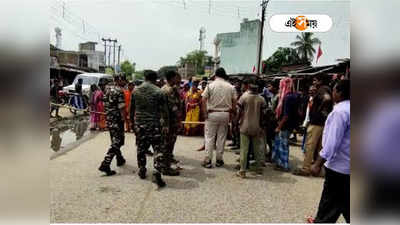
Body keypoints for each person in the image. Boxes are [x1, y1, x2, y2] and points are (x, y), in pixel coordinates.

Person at [309, 79, 350, 223]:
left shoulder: (340, 112)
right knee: (347, 203)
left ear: (339, 92)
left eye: (334, 90)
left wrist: (318, 163)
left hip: (339, 167)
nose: (332, 93)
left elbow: (333, 142)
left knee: (328, 208)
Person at [130, 70, 170, 187]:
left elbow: (131, 109)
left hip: (140, 124)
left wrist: (132, 123)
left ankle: (142, 169)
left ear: (145, 78)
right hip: (155, 125)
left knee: (141, 147)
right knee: (158, 148)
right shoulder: (159, 91)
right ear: (155, 79)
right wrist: (166, 125)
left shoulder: (135, 90)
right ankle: (157, 171)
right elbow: (165, 111)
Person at [293, 75, 333, 176]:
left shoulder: (322, 89)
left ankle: (306, 169)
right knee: (320, 148)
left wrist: (320, 110)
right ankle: (319, 171)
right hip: (322, 123)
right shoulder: (327, 88)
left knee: (309, 147)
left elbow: (327, 99)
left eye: (315, 80)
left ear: (320, 81)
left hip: (316, 124)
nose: (314, 83)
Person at [201, 67, 237, 168]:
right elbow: (234, 102)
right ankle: (219, 160)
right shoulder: (231, 87)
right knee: (222, 137)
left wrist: (204, 114)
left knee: (209, 137)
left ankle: (208, 160)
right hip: (225, 114)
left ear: (216, 75)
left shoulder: (210, 86)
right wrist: (232, 113)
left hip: (212, 113)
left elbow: (203, 100)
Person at [236, 79, 267, 178]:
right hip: (256, 126)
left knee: (244, 149)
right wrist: (262, 126)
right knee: (257, 149)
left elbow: (239, 112)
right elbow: (263, 115)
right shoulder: (261, 99)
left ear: (249, 87)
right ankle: (258, 169)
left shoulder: (243, 97)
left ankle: (242, 171)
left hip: (245, 126)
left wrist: (236, 122)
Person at [98, 75, 127, 176]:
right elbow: (121, 107)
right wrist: (124, 119)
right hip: (117, 120)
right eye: (124, 80)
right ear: (118, 80)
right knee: (118, 142)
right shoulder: (119, 91)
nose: (125, 82)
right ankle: (106, 163)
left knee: (115, 140)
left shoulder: (106, 90)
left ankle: (119, 158)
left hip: (109, 120)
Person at [272, 77, 298, 171]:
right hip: (291, 124)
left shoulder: (287, 98)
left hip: (285, 125)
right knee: (283, 144)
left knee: (283, 145)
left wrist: (279, 126)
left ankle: (284, 165)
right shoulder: (295, 95)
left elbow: (286, 115)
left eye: (281, 86)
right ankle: (280, 163)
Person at [161, 70, 183, 176]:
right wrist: (179, 119)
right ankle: (166, 168)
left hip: (166, 121)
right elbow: (174, 108)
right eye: (177, 77)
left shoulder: (166, 88)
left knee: (166, 144)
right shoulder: (169, 90)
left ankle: (165, 165)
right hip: (170, 122)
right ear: (172, 78)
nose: (178, 79)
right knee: (168, 145)